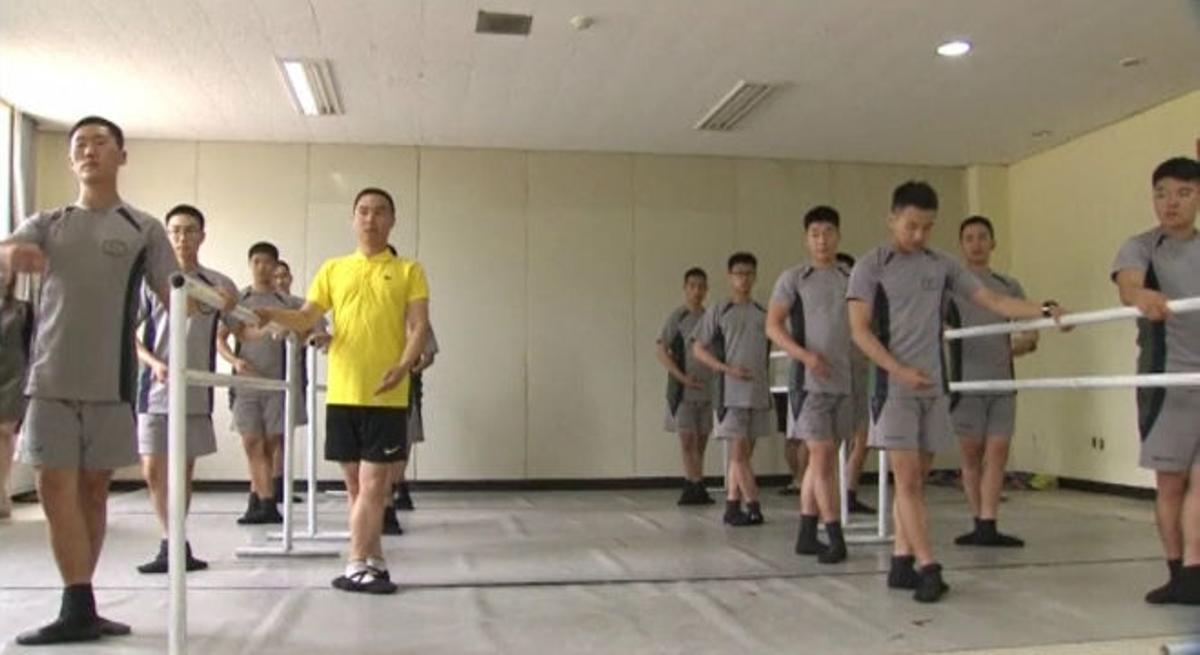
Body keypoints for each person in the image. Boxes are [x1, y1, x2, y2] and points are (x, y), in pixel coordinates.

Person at [1, 116, 178, 644]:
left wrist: (214, 303)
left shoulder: (142, 227)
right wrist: (10, 254)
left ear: (121, 156)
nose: (89, 150)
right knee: (55, 485)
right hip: (49, 379)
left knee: (94, 491)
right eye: (80, 143)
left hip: (111, 384)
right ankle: (76, 602)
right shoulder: (48, 222)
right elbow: (8, 247)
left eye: (101, 142)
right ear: (70, 158)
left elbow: (175, 290)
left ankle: (83, 602)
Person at [847, 180, 1066, 603]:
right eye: (911, 226)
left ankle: (901, 563)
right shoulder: (870, 266)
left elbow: (994, 302)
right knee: (906, 481)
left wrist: (1044, 310)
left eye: (927, 227)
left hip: (934, 386)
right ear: (892, 219)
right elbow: (859, 330)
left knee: (917, 480)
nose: (919, 235)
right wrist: (898, 370)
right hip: (893, 388)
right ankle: (929, 565)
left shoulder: (941, 264)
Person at [258, 187, 429, 595]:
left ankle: (354, 565)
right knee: (356, 488)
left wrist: (403, 366)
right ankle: (374, 560)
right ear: (353, 219)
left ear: (392, 220)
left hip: (386, 394)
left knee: (374, 487)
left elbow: (419, 326)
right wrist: (269, 312)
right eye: (363, 211)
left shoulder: (409, 270)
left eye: (380, 211)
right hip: (343, 394)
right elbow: (305, 317)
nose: (371, 218)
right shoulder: (333, 269)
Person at [1110, 156, 1200, 605]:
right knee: (1171, 482)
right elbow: (1128, 286)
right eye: (1162, 193)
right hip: (1167, 381)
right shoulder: (1142, 246)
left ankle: (1195, 570)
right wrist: (1141, 294)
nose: (1171, 202)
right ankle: (1176, 570)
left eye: (1184, 193)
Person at [134, 204, 239, 573]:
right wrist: (154, 363)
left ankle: (175, 542)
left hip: (194, 391)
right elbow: (128, 335)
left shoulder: (219, 284)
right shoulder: (149, 281)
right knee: (153, 469)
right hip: (154, 390)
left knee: (182, 470)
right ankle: (171, 540)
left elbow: (242, 329)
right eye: (175, 230)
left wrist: (237, 307)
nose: (182, 237)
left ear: (202, 236)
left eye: (190, 230)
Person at [946, 215, 1038, 548]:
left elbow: (1030, 330)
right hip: (964, 384)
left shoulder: (1008, 285)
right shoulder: (951, 287)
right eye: (969, 238)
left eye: (982, 237)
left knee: (998, 453)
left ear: (993, 242)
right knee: (971, 456)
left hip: (1001, 383)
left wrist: (1017, 346)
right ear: (961, 245)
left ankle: (990, 522)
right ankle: (977, 520)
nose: (976, 244)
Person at [767, 205, 852, 563]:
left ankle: (806, 532)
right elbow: (773, 326)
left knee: (823, 461)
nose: (822, 240)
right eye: (815, 233)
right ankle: (834, 535)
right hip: (808, 383)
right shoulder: (793, 279)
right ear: (806, 239)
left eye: (828, 232)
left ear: (838, 236)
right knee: (822, 455)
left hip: (845, 382)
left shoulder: (851, 277)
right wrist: (804, 356)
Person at [692, 252, 774, 527]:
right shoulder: (720, 310)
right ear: (729, 277)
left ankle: (731, 505)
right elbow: (698, 348)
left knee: (744, 455)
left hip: (757, 394)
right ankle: (753, 505)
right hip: (730, 394)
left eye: (749, 273)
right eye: (739, 273)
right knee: (738, 453)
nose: (744, 279)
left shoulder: (762, 312)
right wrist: (726, 369)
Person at [218, 242, 293, 525]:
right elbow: (222, 338)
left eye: (267, 262)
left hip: (277, 384)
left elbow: (309, 322)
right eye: (257, 262)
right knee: (251, 442)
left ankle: (260, 500)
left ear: (275, 266)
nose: (262, 267)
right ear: (250, 264)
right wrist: (235, 362)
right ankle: (266, 502)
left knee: (271, 444)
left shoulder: (286, 302)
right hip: (246, 383)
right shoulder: (240, 300)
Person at [655, 267, 716, 506]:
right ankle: (694, 483)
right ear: (685, 288)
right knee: (687, 438)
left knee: (701, 440)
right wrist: (681, 377)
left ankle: (694, 482)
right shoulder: (677, 317)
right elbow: (661, 349)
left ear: (706, 289)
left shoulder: (711, 317)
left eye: (701, 286)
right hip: (683, 391)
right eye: (692, 286)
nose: (697, 291)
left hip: (707, 388)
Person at [837, 252, 875, 515]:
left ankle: (849, 491)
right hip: (831, 377)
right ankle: (826, 495)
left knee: (863, 436)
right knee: (828, 442)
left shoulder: (864, 302)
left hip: (861, 374)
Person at [0, 270, 34, 520]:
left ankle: (1, 489)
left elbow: (31, 347)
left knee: (4, 433)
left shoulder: (23, 310)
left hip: (13, 378)